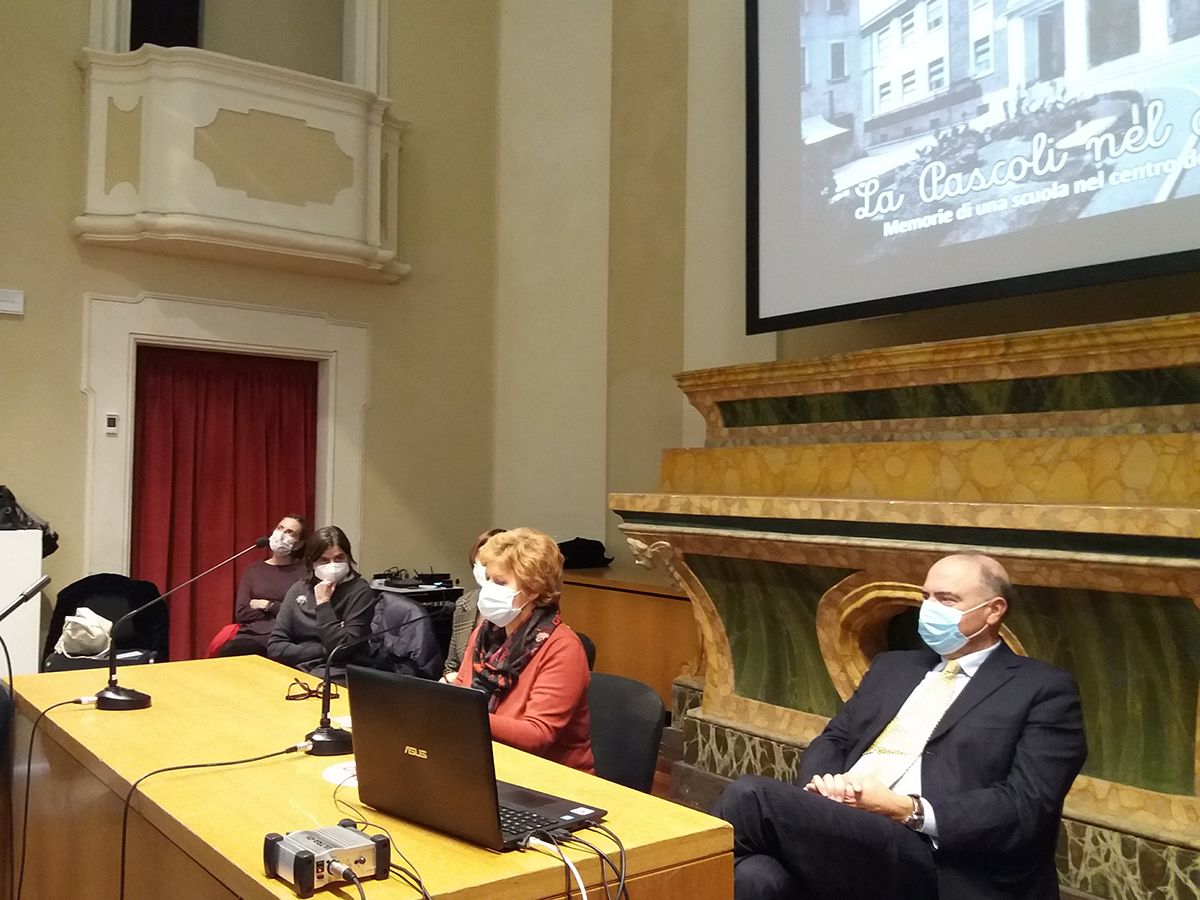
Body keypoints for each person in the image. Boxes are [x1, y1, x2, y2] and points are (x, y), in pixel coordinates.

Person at [714, 553, 1087, 900]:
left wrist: (906, 809)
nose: (929, 609)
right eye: (926, 597)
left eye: (947, 599)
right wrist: (826, 788)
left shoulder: (1042, 689)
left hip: (936, 853)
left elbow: (1026, 805)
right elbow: (836, 738)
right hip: (849, 821)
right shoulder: (893, 667)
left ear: (993, 611)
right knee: (756, 877)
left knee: (751, 797)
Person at [452, 527, 594, 772]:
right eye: (488, 580)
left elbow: (538, 735)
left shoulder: (563, 648)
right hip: (488, 765)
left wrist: (461, 715)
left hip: (551, 781)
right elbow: (458, 696)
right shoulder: (484, 634)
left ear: (533, 589)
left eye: (499, 582)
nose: (488, 590)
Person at [268, 526, 378, 679]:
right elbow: (275, 647)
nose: (333, 566)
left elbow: (343, 648)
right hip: (299, 668)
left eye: (339, 558)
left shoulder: (359, 591)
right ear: (312, 563)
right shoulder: (299, 589)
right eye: (324, 560)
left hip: (340, 671)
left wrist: (323, 603)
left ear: (348, 557)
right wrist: (321, 650)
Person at [217, 515, 309, 657]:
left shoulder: (305, 571)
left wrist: (267, 605)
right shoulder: (253, 570)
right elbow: (242, 612)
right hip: (251, 634)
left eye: (290, 532)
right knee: (228, 652)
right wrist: (279, 609)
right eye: (280, 528)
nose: (282, 534)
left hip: (284, 636)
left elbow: (299, 613)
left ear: (299, 544)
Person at [441, 527, 506, 682]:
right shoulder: (465, 603)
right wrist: (450, 680)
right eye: (478, 562)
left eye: (488, 563)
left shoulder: (512, 607)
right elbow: (451, 666)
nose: (483, 570)